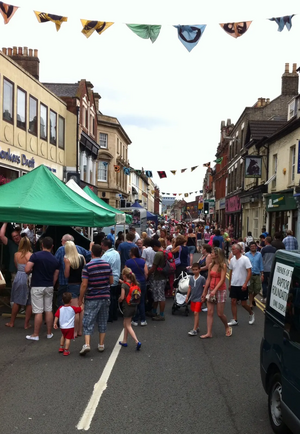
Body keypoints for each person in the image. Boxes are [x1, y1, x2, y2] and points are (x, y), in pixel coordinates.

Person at [78, 244, 113, 355]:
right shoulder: (107, 265)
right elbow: (111, 281)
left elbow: (84, 284)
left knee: (88, 321)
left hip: (92, 297)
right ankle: (101, 344)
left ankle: (87, 344)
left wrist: (80, 298)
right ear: (101, 253)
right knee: (103, 320)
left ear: (92, 253)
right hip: (105, 296)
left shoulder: (88, 266)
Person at [25, 237, 60, 341]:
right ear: (52, 246)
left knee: (38, 311)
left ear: (42, 245)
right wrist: (51, 284)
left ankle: (36, 334)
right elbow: (55, 276)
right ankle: (49, 333)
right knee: (49, 309)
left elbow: (27, 269)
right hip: (49, 285)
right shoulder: (55, 260)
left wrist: (32, 270)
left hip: (37, 285)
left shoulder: (35, 256)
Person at [200, 248, 231, 338]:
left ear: (217, 255)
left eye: (212, 253)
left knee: (220, 313)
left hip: (220, 290)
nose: (211, 254)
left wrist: (215, 290)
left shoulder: (223, 266)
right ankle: (209, 333)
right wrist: (205, 291)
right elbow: (209, 279)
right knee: (209, 312)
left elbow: (222, 280)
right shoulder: (210, 265)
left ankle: (227, 326)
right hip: (211, 290)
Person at [55, 234, 92, 307]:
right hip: (80, 282)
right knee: (80, 305)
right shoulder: (80, 251)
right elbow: (89, 256)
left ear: (64, 242)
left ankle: (63, 317)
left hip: (64, 282)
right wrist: (90, 247)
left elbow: (56, 264)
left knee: (63, 303)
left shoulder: (61, 250)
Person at [5, 236, 32, 329]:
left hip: (19, 276)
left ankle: (12, 322)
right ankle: (26, 324)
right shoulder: (31, 255)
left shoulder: (16, 254)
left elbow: (17, 266)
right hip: (27, 277)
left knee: (17, 300)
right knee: (29, 302)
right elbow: (31, 268)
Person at [228, 244, 255, 326]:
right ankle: (235, 319)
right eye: (232, 249)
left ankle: (251, 313)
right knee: (233, 301)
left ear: (238, 250)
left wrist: (245, 283)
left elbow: (249, 272)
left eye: (234, 249)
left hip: (242, 284)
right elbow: (231, 271)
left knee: (243, 304)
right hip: (234, 284)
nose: (232, 251)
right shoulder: (232, 260)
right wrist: (230, 284)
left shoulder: (245, 259)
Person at [63, 240, 86, 337]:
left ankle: (75, 331)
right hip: (81, 284)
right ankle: (80, 330)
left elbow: (66, 274)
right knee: (81, 307)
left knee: (75, 308)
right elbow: (85, 271)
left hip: (72, 284)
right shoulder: (82, 257)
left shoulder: (67, 259)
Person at [118, 267, 141, 350]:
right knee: (126, 323)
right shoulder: (135, 283)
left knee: (128, 325)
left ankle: (136, 341)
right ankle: (124, 340)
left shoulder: (124, 285)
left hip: (127, 307)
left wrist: (119, 299)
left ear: (124, 276)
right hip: (133, 306)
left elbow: (122, 297)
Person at [125, 247, 148, 326]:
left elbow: (126, 273)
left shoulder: (128, 262)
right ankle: (143, 320)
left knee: (134, 301)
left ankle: (135, 320)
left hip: (133, 283)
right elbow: (146, 273)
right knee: (141, 301)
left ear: (131, 253)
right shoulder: (142, 261)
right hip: (142, 282)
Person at [101, 239, 121, 322]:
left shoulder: (106, 256)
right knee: (114, 297)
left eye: (102, 245)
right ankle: (114, 315)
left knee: (109, 298)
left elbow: (102, 266)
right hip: (116, 277)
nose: (101, 246)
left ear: (106, 246)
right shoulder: (116, 253)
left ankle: (109, 316)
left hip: (109, 278)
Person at [148, 240, 167, 321]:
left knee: (160, 296)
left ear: (155, 246)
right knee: (157, 295)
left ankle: (161, 314)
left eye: (153, 247)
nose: (152, 249)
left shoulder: (158, 254)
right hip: (163, 276)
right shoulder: (164, 252)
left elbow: (153, 267)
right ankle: (154, 311)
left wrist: (147, 274)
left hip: (158, 277)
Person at [185, 263, 206, 336]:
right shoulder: (191, 278)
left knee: (196, 313)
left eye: (196, 270)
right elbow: (190, 288)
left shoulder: (202, 278)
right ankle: (197, 327)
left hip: (199, 298)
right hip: (193, 298)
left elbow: (204, 288)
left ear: (199, 270)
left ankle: (194, 330)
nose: (195, 271)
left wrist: (203, 297)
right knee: (195, 313)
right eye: (193, 270)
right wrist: (187, 296)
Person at [245, 241, 264, 309]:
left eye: (254, 246)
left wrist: (262, 274)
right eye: (251, 247)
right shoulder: (246, 255)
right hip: (249, 274)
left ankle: (252, 298)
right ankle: (250, 304)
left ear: (256, 247)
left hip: (257, 274)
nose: (253, 248)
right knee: (250, 290)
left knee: (257, 289)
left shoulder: (259, 254)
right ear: (249, 247)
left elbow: (261, 264)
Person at [261, 237, 276, 304]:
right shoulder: (274, 249)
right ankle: (271, 297)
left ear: (266, 241)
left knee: (264, 283)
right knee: (271, 283)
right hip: (272, 268)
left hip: (265, 268)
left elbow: (261, 259)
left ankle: (265, 297)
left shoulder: (263, 249)